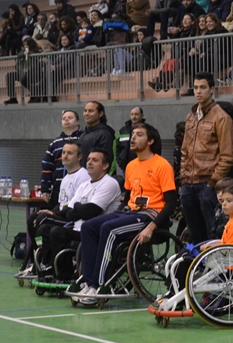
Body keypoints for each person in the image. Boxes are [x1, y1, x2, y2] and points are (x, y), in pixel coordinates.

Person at [74, 124, 178, 304]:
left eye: (139, 135)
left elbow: (171, 202)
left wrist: (152, 227)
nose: (133, 138)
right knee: (89, 226)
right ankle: (88, 280)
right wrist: (116, 213)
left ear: (150, 141)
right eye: (133, 134)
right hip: (130, 212)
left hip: (150, 216)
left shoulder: (162, 165)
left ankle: (99, 284)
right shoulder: (130, 166)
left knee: (109, 229)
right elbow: (127, 198)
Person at [35, 149, 121, 281]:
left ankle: (65, 275)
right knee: (44, 229)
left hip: (95, 232)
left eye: (95, 160)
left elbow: (91, 211)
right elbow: (69, 213)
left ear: (105, 166)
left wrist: (77, 207)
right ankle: (49, 266)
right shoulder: (85, 185)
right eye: (89, 160)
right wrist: (78, 209)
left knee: (57, 232)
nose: (90, 163)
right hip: (77, 228)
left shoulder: (109, 183)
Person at [15, 141, 90, 279]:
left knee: (42, 219)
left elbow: (75, 205)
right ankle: (42, 258)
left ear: (79, 157)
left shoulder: (83, 176)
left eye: (70, 153)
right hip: (63, 214)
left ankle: (46, 261)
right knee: (34, 217)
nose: (65, 156)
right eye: (63, 153)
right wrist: (51, 211)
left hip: (74, 219)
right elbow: (62, 203)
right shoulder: (66, 177)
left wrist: (53, 213)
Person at [179, 73, 233, 244]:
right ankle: (199, 268)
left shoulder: (222, 118)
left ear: (211, 89)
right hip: (188, 184)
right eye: (195, 88)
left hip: (207, 184)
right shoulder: (191, 117)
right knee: (195, 235)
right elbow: (184, 150)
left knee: (213, 233)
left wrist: (213, 182)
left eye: (203, 87)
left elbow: (227, 156)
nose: (198, 91)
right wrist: (183, 177)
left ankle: (217, 268)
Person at [40, 110, 83, 209]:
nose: (66, 120)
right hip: (58, 187)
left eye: (70, 118)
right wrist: (45, 189)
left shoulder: (84, 139)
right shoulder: (54, 143)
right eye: (64, 118)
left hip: (78, 185)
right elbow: (47, 167)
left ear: (78, 122)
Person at [78, 101, 115, 171]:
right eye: (85, 111)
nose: (86, 114)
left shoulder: (105, 134)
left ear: (100, 114)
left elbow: (106, 159)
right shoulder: (83, 134)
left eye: (91, 111)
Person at [115, 107, 145, 176]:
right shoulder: (122, 131)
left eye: (136, 114)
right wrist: (120, 162)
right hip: (126, 167)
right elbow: (117, 147)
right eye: (132, 114)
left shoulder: (148, 130)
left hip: (142, 166)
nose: (134, 117)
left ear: (142, 116)